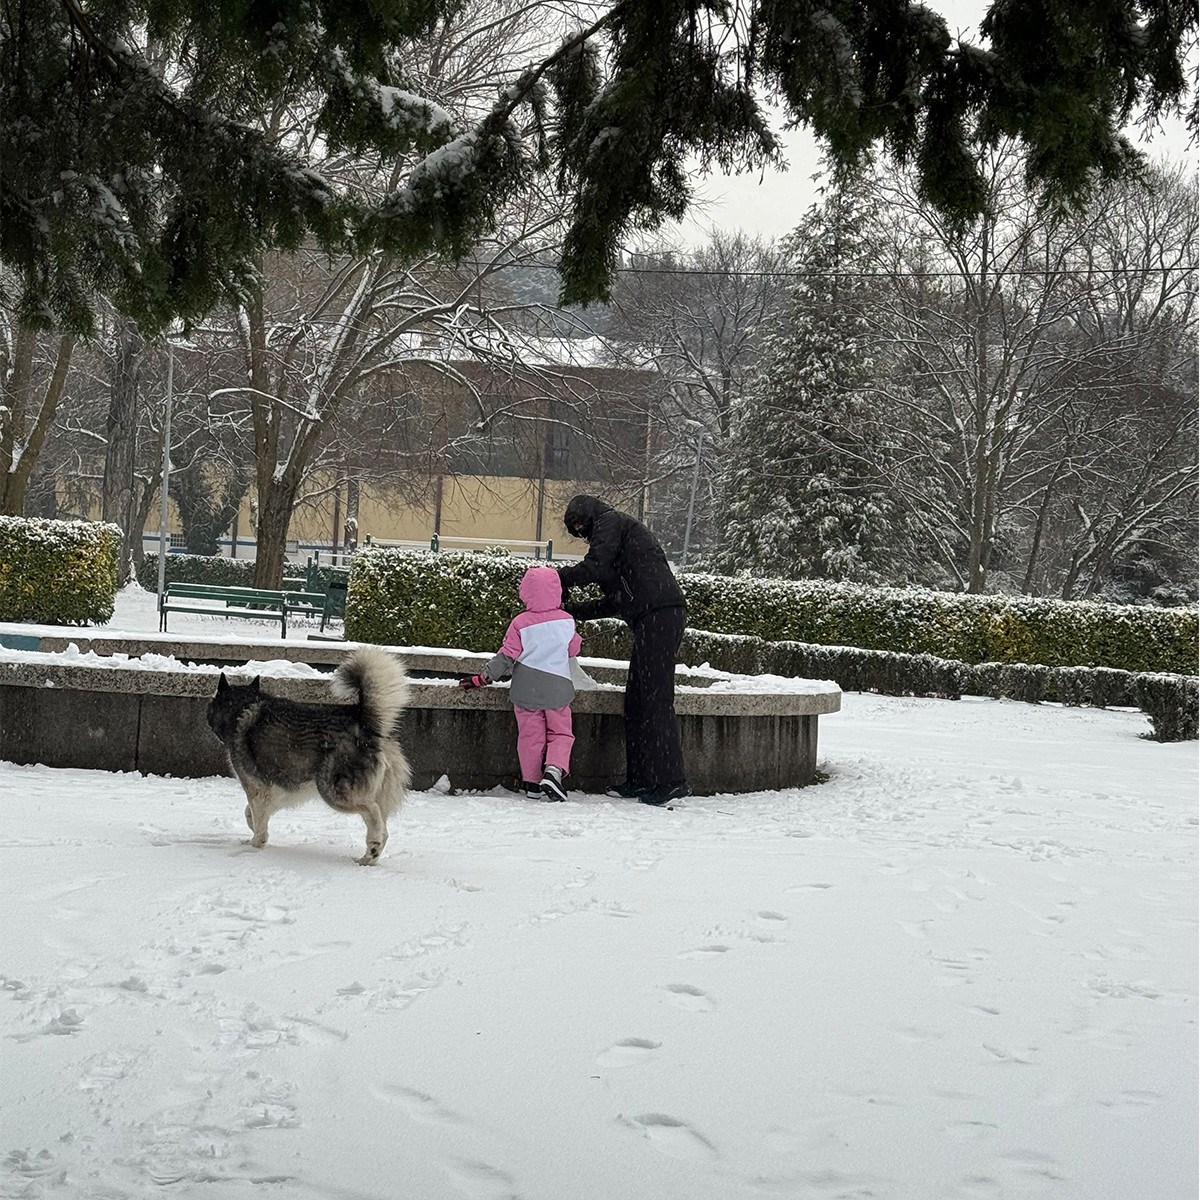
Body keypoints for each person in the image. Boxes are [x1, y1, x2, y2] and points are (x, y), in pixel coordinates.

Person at [557, 494, 687, 807]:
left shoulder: (610, 521)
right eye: (576, 530)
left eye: (580, 525)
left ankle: (672, 782)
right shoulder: (616, 549)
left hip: (661, 614)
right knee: (636, 703)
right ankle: (641, 779)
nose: (581, 532)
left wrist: (558, 578)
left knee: (655, 701)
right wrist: (569, 611)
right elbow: (613, 602)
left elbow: (595, 566)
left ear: (588, 514)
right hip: (649, 618)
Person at [459, 566, 581, 801]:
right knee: (561, 733)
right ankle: (553, 771)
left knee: (530, 737)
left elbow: (506, 656)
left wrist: (482, 678)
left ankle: (532, 784)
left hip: (526, 690)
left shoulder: (520, 623)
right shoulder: (567, 621)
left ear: (525, 591)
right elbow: (573, 648)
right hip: (558, 689)